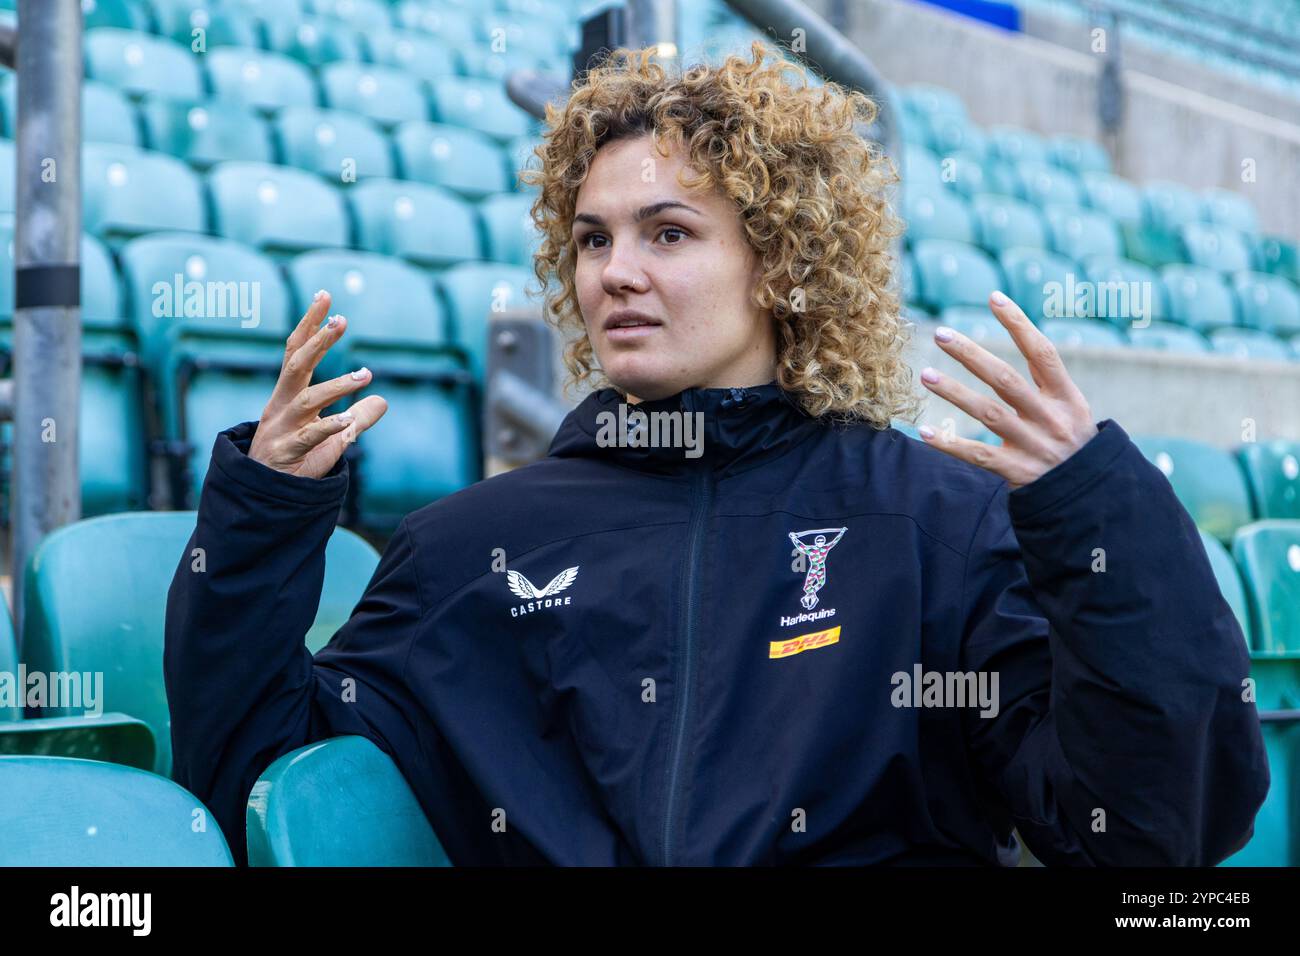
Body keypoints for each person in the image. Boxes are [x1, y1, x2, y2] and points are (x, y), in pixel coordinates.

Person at [164, 42, 1269, 866]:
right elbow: (262, 776)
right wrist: (263, 516)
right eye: (593, 238)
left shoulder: (933, 520)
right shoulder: (473, 546)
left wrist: (1098, 518)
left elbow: (1149, 827)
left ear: (781, 264)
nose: (615, 273)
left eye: (669, 232)